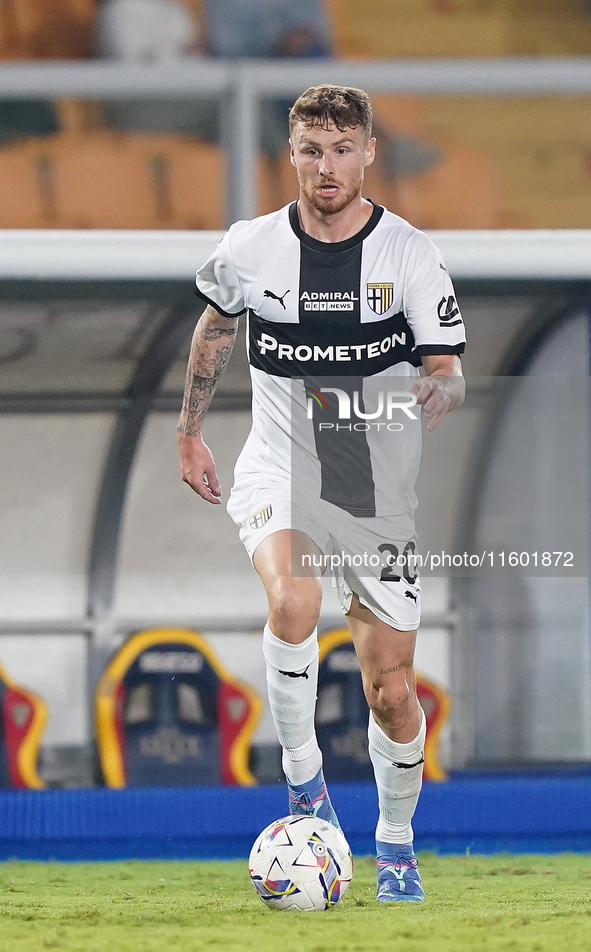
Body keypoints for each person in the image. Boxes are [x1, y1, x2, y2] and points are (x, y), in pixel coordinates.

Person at [177, 84, 465, 903]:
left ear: (369, 152)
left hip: (373, 487)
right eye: (311, 150)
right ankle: (305, 783)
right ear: (291, 155)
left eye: (343, 150)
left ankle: (397, 846)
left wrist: (435, 393)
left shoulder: (409, 254)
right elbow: (215, 325)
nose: (326, 166)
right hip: (280, 467)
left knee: (391, 690)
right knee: (294, 601)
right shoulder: (251, 246)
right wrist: (188, 428)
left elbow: (445, 364)